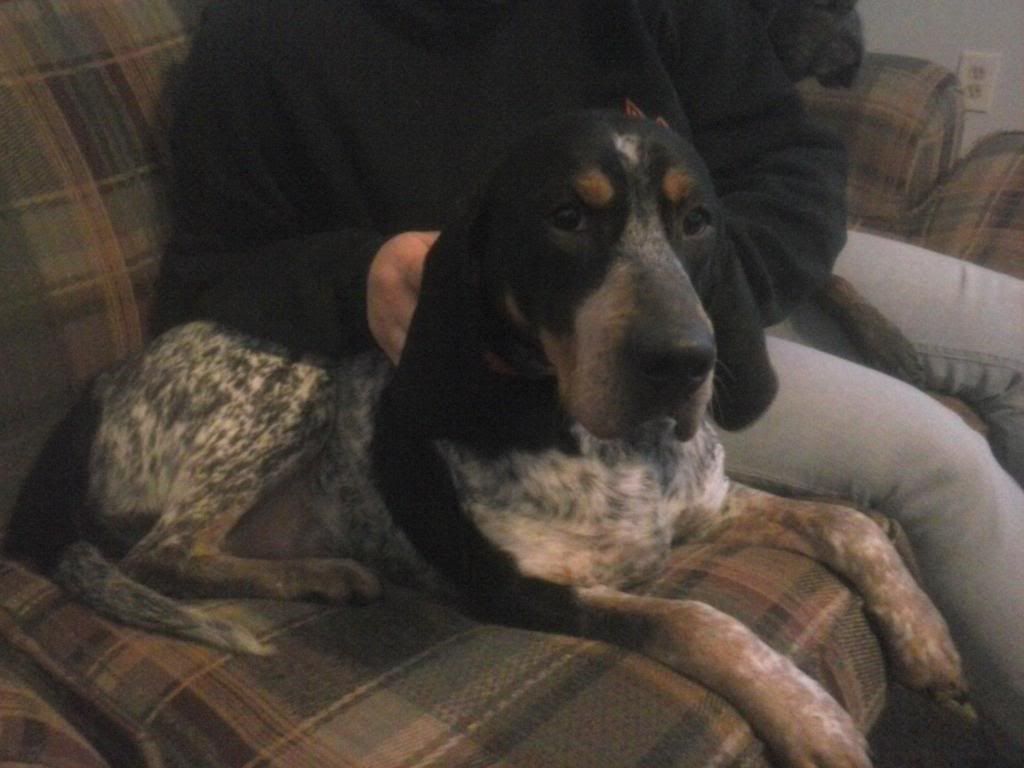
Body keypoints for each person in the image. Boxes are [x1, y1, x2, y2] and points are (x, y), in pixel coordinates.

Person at [153, 1, 1024, 762]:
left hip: (722, 278)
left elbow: (789, 156)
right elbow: (204, 274)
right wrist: (359, 275)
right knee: (941, 465)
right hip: (543, 350)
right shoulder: (263, 36)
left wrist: (712, 289)